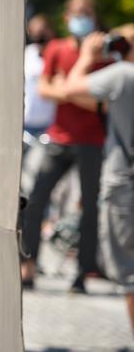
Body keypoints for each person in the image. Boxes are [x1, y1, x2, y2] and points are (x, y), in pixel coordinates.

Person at [21, 0, 107, 292]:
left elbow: (103, 103)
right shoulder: (57, 48)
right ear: (67, 17)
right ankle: (28, 265)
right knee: (35, 202)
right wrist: (79, 91)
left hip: (91, 140)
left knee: (90, 207)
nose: (82, 18)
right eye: (77, 12)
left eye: (88, 12)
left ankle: (84, 272)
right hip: (58, 137)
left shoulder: (103, 53)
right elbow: (44, 90)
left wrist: (65, 86)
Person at [62, 25, 134, 339]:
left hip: (125, 184)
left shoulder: (122, 76)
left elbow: (70, 88)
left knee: (131, 276)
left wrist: (87, 56)